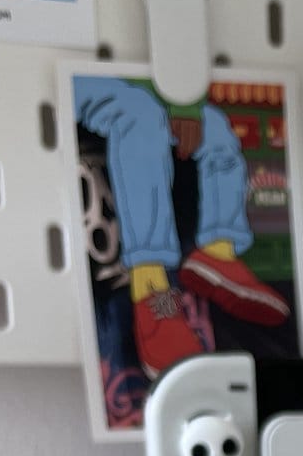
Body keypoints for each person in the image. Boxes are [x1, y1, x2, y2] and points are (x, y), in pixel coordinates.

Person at [73, 76, 290, 379]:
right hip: (100, 86)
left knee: (215, 128)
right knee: (140, 117)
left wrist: (184, 107)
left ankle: (219, 252)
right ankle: (152, 290)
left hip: (152, 83)